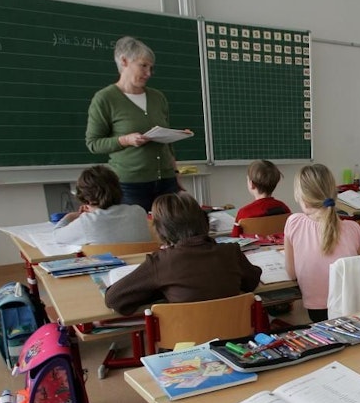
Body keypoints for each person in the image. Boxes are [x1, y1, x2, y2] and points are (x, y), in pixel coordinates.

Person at [105, 193, 261, 316]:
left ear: (161, 230)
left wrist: (158, 291)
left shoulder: (161, 262)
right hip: (235, 343)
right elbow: (252, 281)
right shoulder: (231, 252)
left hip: (184, 351)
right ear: (204, 221)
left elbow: (114, 299)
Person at [85, 36, 191, 211]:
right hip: (130, 185)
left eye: (151, 68)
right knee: (139, 233)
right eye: (143, 66)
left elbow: (168, 145)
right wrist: (125, 140)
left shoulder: (158, 97)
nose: (148, 73)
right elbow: (93, 143)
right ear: (124, 61)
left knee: (172, 232)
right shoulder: (105, 99)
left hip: (166, 181)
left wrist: (175, 174)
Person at [284, 164, 360, 322]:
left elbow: (292, 274)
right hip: (351, 308)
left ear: (304, 199)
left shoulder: (294, 223)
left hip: (317, 310)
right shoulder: (354, 229)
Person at [52, 165, 151, 246]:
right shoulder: (138, 211)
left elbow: (57, 236)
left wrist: (71, 216)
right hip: (139, 266)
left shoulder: (87, 221)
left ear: (86, 197)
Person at [231, 160, 292, 237]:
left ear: (251, 184)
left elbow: (235, 238)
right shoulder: (284, 208)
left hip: (252, 248)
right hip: (279, 248)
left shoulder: (244, 213)